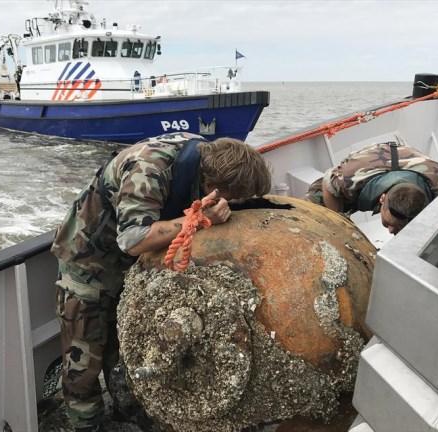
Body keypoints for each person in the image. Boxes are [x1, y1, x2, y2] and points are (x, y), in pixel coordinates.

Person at [48, 132, 271, 431]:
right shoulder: (148, 168)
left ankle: (129, 413)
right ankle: (85, 424)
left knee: (125, 345)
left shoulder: (202, 156)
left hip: (129, 267)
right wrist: (201, 219)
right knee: (83, 357)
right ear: (213, 187)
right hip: (89, 260)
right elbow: (132, 239)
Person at [306, 141, 438, 234]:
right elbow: (328, 184)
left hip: (408, 170)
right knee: (308, 212)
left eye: (398, 227)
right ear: (382, 199)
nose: (390, 230)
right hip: (364, 173)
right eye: (388, 224)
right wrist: (338, 225)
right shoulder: (350, 177)